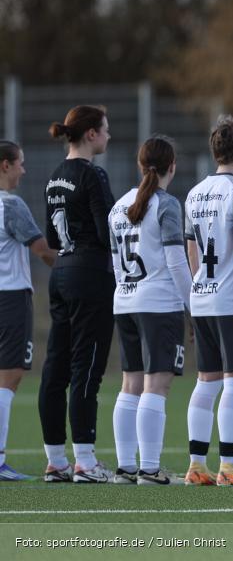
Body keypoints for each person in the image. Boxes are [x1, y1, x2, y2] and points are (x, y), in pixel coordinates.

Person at [108, 136, 191, 486]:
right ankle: (151, 469)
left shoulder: (118, 206)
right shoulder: (166, 204)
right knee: (155, 387)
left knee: (130, 384)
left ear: (141, 166)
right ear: (172, 166)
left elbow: (115, 264)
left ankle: (127, 467)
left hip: (125, 301)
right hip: (158, 304)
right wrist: (193, 305)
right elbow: (176, 261)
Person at [40, 105, 116, 483]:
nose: (108, 136)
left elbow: (53, 239)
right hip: (90, 274)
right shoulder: (93, 175)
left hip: (61, 272)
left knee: (55, 367)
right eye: (104, 129)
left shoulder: (54, 177)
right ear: (90, 134)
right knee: (87, 367)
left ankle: (56, 459)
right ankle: (85, 460)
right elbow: (106, 233)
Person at [183, 116, 233, 487]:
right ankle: (228, 464)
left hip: (202, 297)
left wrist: (200, 286)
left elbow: (191, 249)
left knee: (206, 381)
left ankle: (197, 464)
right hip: (231, 300)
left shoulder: (194, 193)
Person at [0, 141, 56, 481]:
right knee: (9, 379)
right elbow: (41, 250)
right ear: (5, 165)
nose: (24, 170)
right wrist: (73, 267)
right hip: (10, 298)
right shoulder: (11, 205)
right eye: (20, 163)